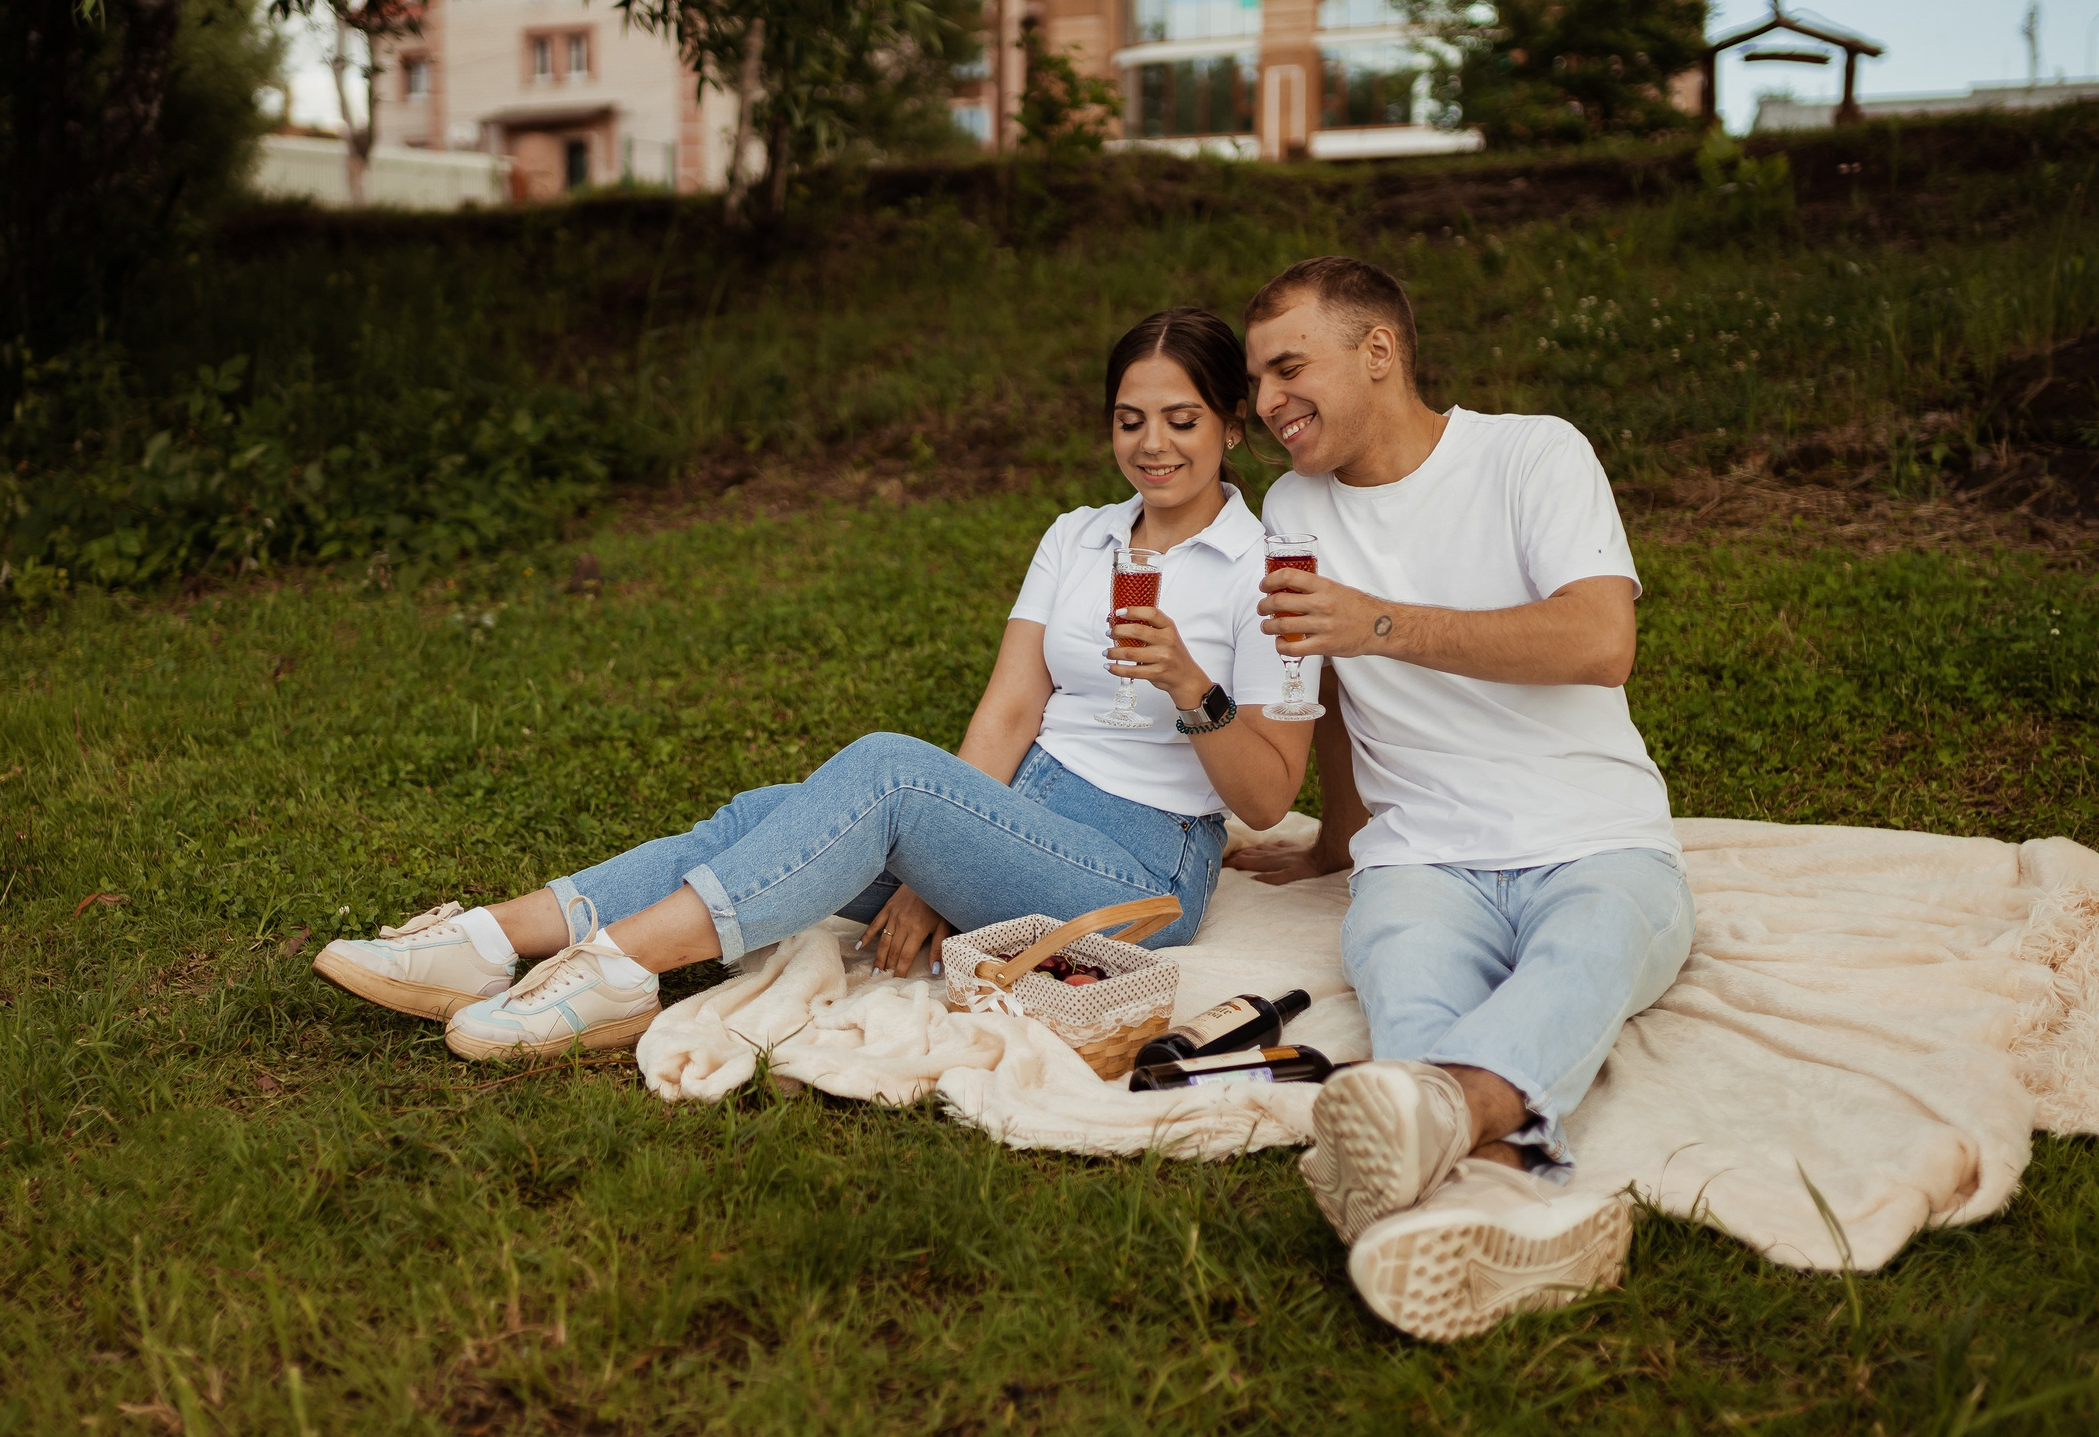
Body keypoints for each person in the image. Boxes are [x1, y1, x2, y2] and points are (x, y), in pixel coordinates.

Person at [314, 308, 1315, 1061]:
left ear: (1231, 424)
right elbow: (1009, 709)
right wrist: (937, 862)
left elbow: (1268, 796)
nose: (1152, 443)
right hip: (1022, 808)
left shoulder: (1267, 569)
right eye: (1129, 418)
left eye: (1181, 418)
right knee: (765, 813)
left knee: (884, 772)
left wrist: (1194, 685)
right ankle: (491, 938)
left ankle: (615, 969)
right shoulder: (1078, 535)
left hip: (1139, 864)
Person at [1234, 254, 1693, 1342]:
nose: (1263, 405)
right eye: (1255, 382)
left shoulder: (1531, 452)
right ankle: (1502, 1201)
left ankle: (1439, 1123)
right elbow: (1331, 690)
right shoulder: (1290, 501)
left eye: (1288, 368)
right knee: (1405, 985)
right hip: (1419, 860)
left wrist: (1378, 619)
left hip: (1593, 836)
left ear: (1378, 351)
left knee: (1583, 958)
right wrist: (1332, 842)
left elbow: (1598, 639)